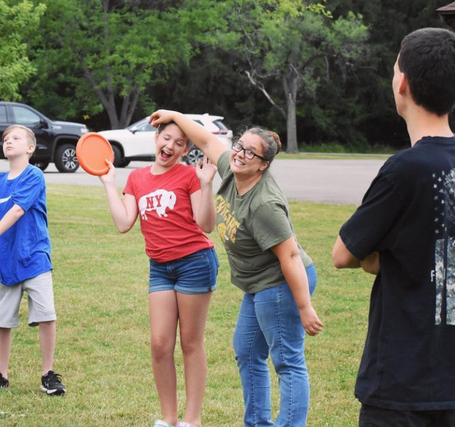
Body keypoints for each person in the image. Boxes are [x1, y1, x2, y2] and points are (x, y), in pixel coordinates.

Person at [148, 110, 324, 427]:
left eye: (250, 153)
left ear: (263, 164)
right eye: (240, 146)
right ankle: (256, 423)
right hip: (257, 284)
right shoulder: (232, 169)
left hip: (281, 282)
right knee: (246, 352)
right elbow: (205, 139)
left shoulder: (264, 204)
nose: (240, 154)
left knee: (287, 361)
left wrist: (304, 307)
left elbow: (290, 257)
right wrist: (175, 115)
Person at [332, 27, 455, 427]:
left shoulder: (405, 169)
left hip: (404, 381)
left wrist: (383, 256)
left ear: (402, 83)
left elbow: (343, 253)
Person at [99, 121, 219, 427]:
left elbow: (206, 225)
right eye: (167, 138)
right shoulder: (137, 178)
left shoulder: (189, 175)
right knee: (160, 344)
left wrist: (206, 184)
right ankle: (169, 419)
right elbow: (124, 223)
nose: (170, 146)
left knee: (190, 342)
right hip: (160, 268)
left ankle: (192, 420)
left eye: (179, 143)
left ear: (186, 150)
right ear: (156, 137)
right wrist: (109, 183)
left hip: (194, 262)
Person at [0, 124, 65, 395]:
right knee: (2, 320)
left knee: (46, 315)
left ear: (30, 148)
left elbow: (18, 210)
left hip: (33, 256)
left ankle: (48, 375)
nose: (8, 141)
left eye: (16, 138)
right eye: (6, 139)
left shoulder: (34, 175)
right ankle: (2, 375)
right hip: (2, 260)